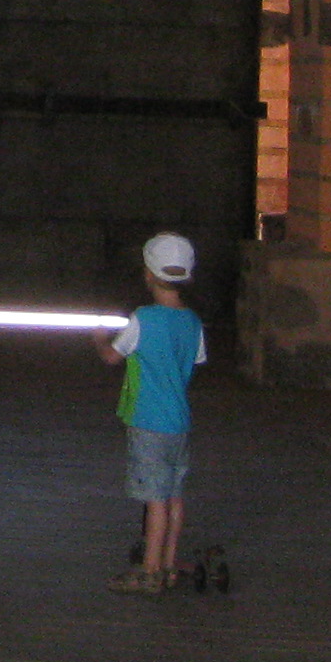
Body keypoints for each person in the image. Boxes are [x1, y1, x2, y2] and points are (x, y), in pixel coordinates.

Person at [97, 231, 207, 593]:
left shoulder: (143, 319)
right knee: (174, 496)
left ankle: (149, 571)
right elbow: (195, 360)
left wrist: (99, 339)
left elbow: (112, 356)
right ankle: (169, 565)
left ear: (148, 274)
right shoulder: (193, 322)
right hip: (179, 422)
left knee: (154, 500)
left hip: (148, 421)